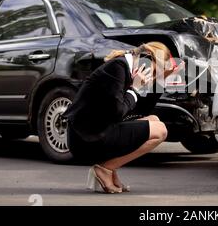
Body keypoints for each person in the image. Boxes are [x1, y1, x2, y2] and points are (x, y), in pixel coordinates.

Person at [64, 41, 179, 193]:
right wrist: (134, 89)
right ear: (147, 58)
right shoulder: (117, 68)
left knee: (153, 120)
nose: (151, 76)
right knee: (161, 130)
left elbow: (141, 110)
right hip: (85, 138)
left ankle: (109, 169)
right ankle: (106, 169)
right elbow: (118, 112)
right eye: (154, 71)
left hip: (97, 130)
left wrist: (162, 79)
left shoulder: (124, 68)